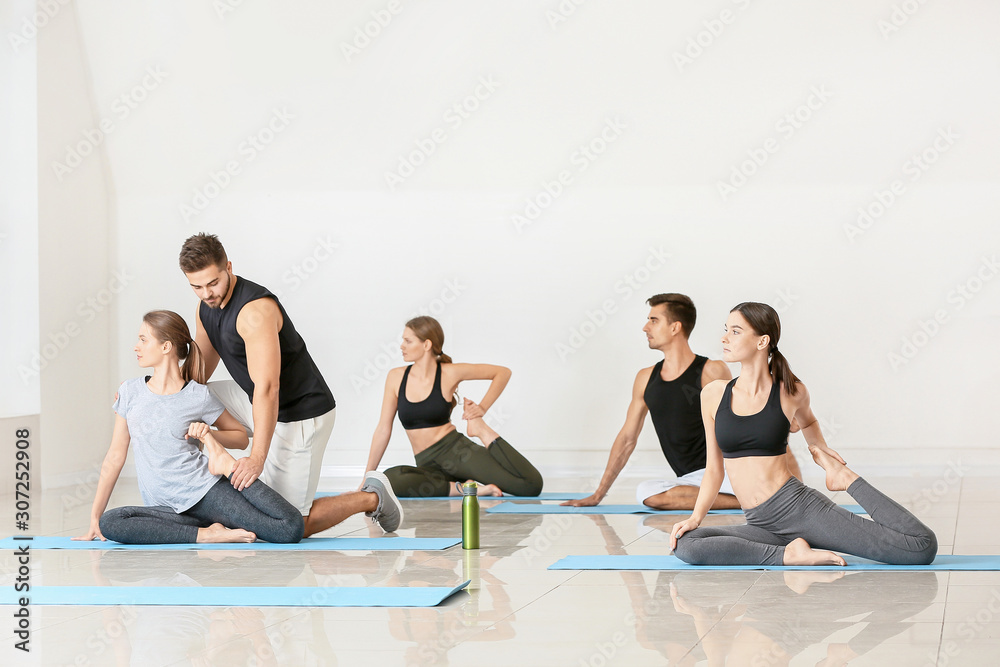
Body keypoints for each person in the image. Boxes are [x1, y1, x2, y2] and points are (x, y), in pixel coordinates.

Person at [669, 302, 937, 566]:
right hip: (760, 523)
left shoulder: (791, 392)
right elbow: (714, 470)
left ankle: (846, 478)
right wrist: (695, 518)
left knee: (921, 547)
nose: (724, 337)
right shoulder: (713, 394)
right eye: (726, 329)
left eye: (735, 331)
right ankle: (788, 555)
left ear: (762, 341)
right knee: (687, 543)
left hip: (800, 510)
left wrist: (823, 454)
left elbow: (808, 422)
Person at [179, 233, 401, 536]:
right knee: (187, 398)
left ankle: (371, 497)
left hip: (300, 414)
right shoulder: (205, 307)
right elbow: (198, 371)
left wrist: (256, 458)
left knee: (290, 523)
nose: (207, 293)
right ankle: (200, 482)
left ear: (228, 267)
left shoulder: (254, 312)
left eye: (213, 283)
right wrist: (152, 394)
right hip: (254, 399)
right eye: (197, 287)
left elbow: (268, 388)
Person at [76, 310, 308, 544]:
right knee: (110, 522)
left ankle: (223, 471)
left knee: (289, 528)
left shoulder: (198, 395)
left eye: (143, 340)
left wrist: (209, 437)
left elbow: (240, 437)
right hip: (166, 508)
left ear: (166, 346)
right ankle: (206, 533)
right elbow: (115, 457)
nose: (136, 347)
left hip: (206, 492)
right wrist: (94, 518)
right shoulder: (129, 392)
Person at [565, 294, 801, 510]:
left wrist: (794, 493)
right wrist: (598, 494)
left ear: (675, 327)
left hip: (731, 471)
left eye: (654, 320)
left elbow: (758, 423)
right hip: (692, 479)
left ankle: (771, 496)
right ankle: (754, 499)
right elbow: (627, 438)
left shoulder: (711, 370)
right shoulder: (645, 378)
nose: (646, 327)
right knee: (646, 492)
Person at [364, 316, 543, 498]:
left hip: (458, 454)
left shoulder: (449, 372)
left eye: (408, 341)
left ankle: (481, 430)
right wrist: (366, 478)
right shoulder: (396, 377)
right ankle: (465, 489)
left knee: (530, 485)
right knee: (391, 479)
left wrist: (481, 408)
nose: (402, 346)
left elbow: (502, 372)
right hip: (428, 465)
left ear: (426, 345)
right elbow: (383, 429)